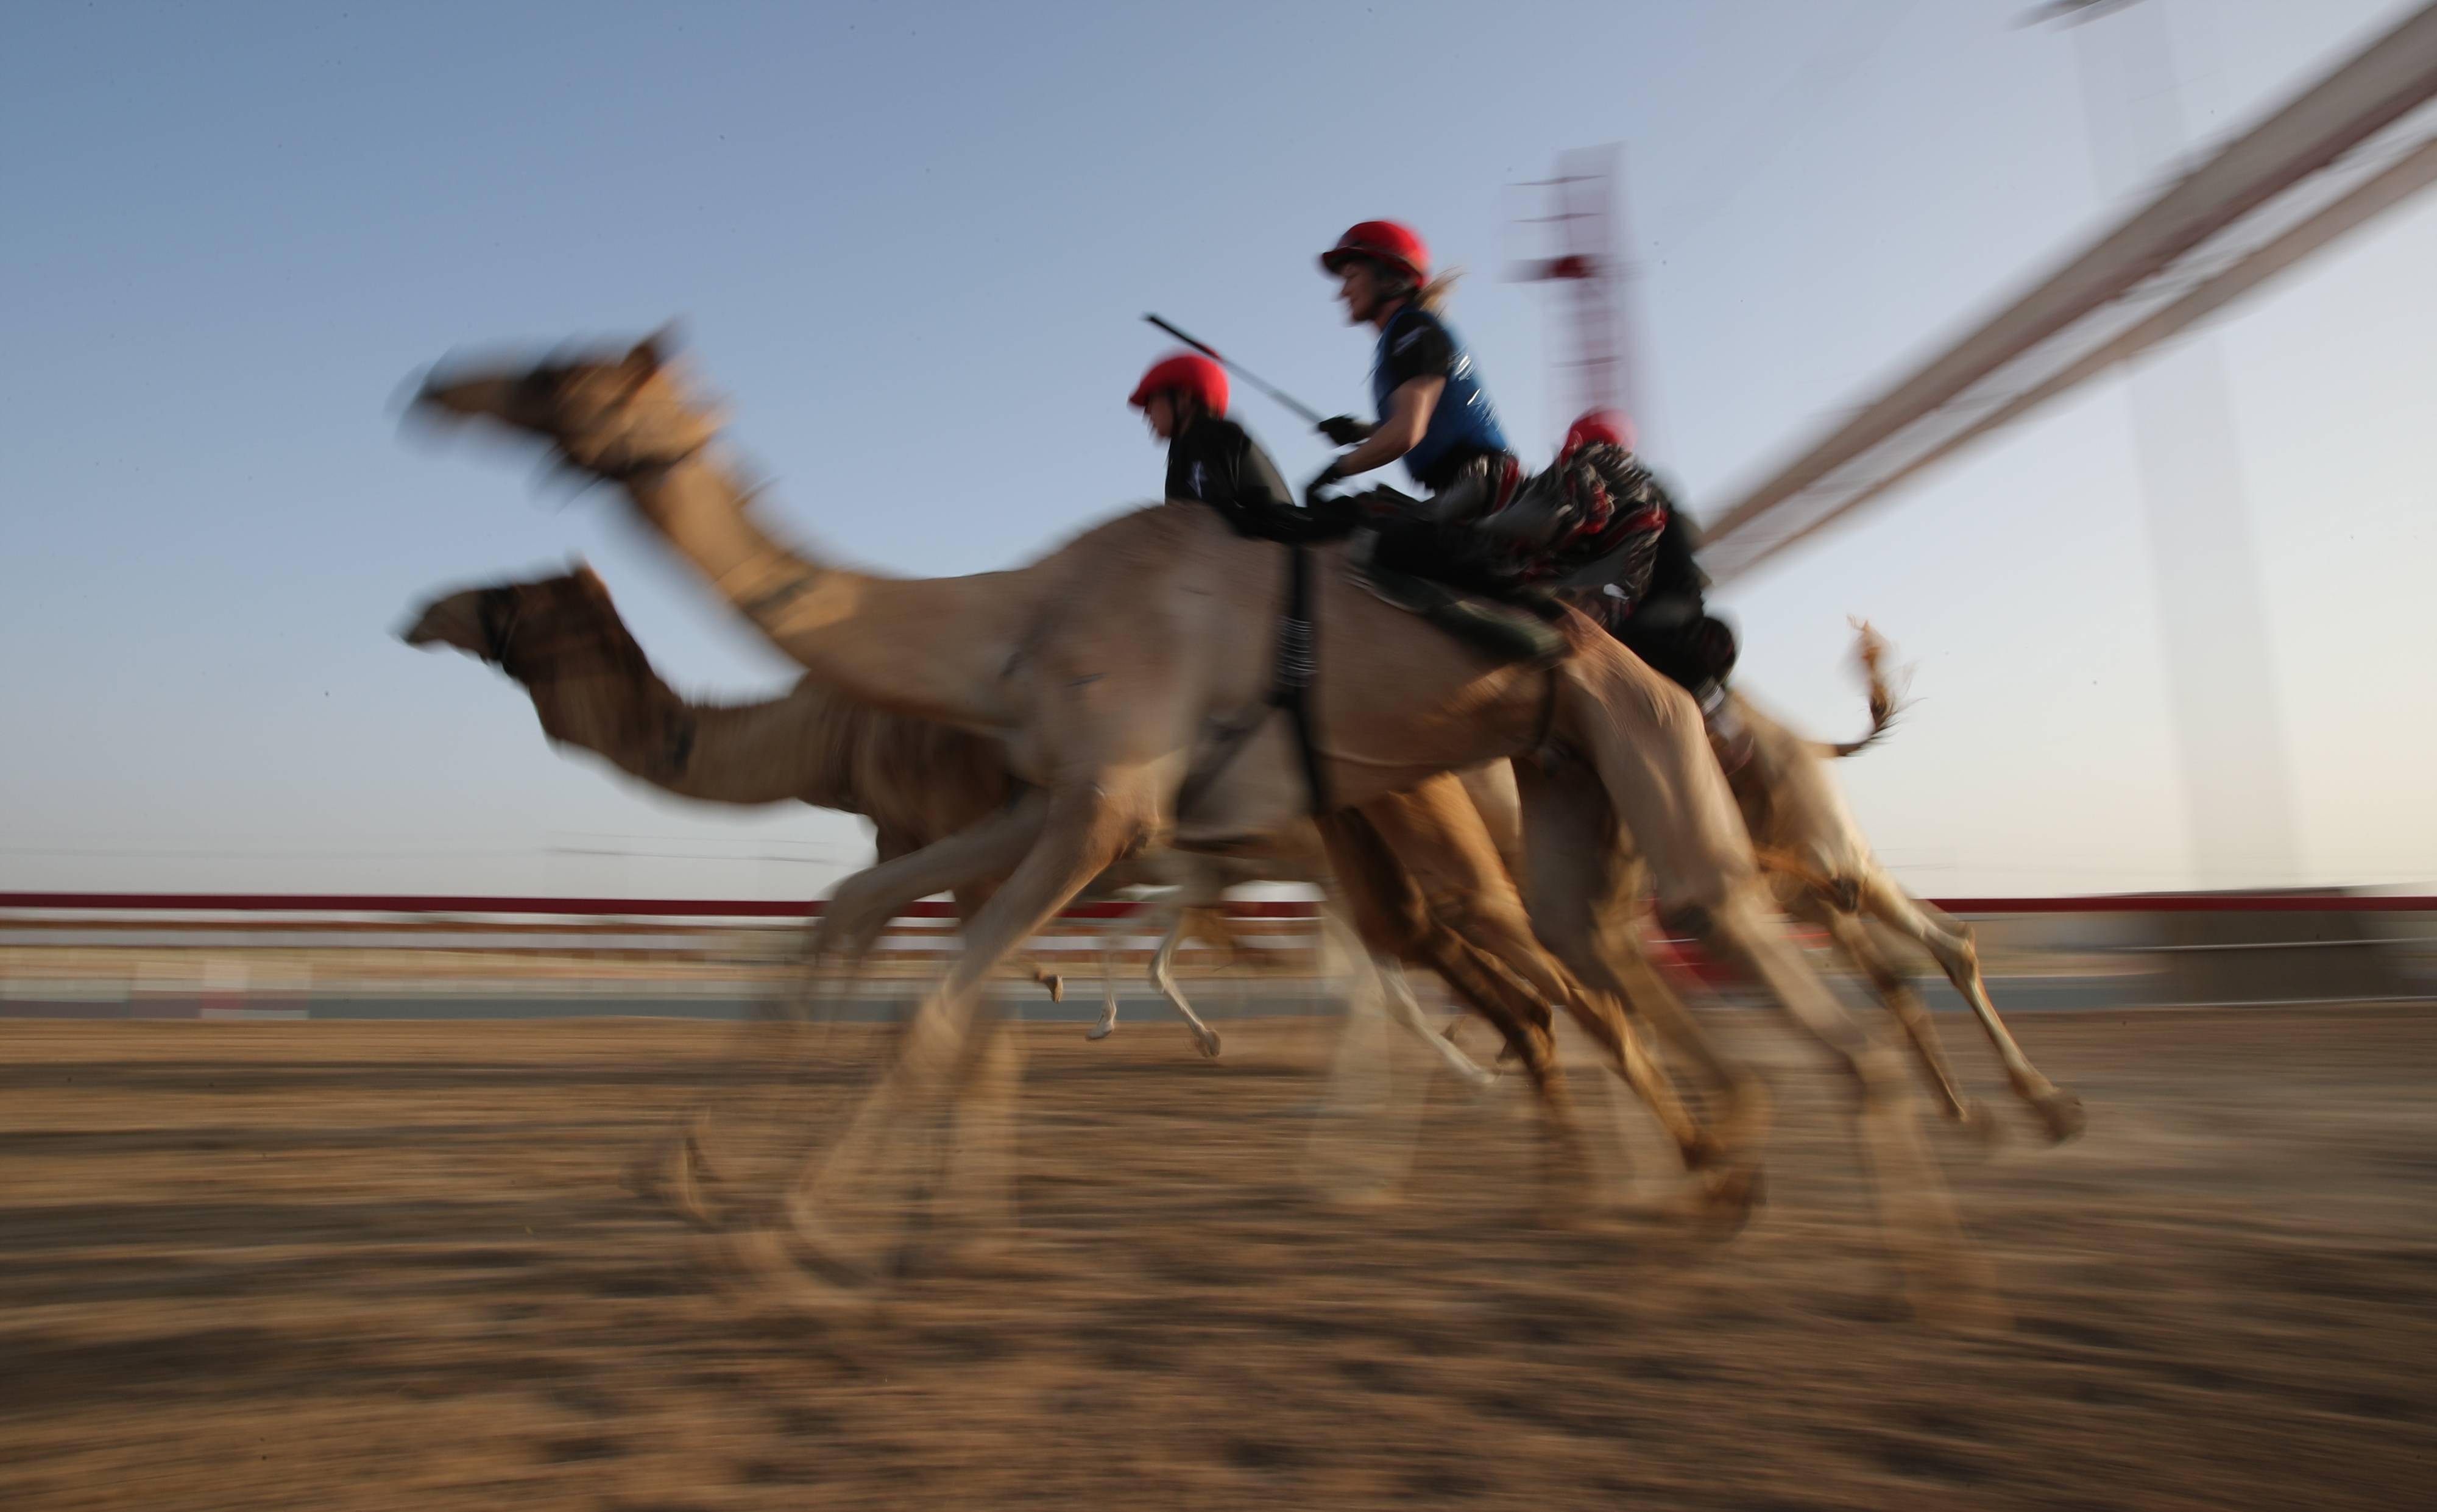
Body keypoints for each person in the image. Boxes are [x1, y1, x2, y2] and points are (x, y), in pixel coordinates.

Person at [1130, 352, 1348, 544]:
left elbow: (1207, 524)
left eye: (1152, 399)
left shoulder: (1206, 435)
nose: (1146, 412)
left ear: (1184, 397)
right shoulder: (1188, 447)